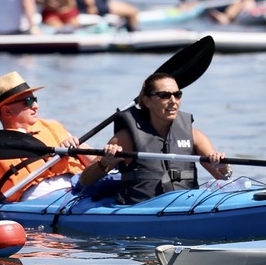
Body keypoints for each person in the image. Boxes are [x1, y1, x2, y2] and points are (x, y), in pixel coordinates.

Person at [0, 71, 101, 221]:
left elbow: (101, 166)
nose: (36, 106)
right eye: (29, 101)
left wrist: (79, 149)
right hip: (45, 207)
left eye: (35, 99)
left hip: (84, 192)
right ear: (7, 110)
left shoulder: (54, 128)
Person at [77, 71, 231, 204]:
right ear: (147, 101)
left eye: (177, 95)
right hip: (142, 208)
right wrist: (106, 162)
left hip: (186, 205)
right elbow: (85, 180)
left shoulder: (194, 135)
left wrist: (223, 167)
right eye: (165, 95)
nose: (173, 101)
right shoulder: (126, 138)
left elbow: (222, 176)